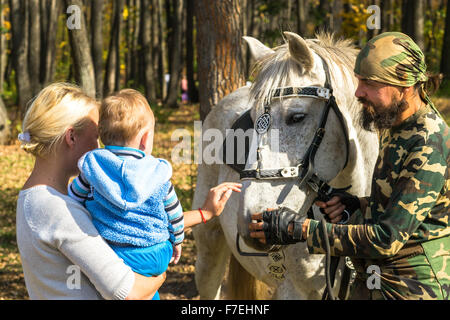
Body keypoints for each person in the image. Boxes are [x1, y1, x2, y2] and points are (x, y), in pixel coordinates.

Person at [248, 32, 449, 300]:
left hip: (411, 289)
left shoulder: (428, 144)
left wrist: (301, 229)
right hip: (379, 280)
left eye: (369, 83)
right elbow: (402, 205)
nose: (358, 92)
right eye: (359, 81)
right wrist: (358, 204)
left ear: (404, 85)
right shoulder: (396, 123)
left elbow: (387, 239)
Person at [16, 82, 241, 300]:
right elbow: (129, 292)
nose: (101, 147)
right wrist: (159, 275)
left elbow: (132, 223)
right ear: (71, 137)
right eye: (96, 136)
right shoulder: (59, 210)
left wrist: (205, 213)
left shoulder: (42, 199)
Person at [67, 89, 182, 300]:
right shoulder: (156, 173)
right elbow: (174, 213)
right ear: (145, 139)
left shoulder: (93, 168)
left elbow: (72, 199)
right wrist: (177, 241)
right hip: (156, 252)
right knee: (148, 291)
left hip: (114, 253)